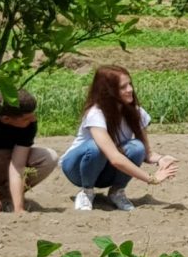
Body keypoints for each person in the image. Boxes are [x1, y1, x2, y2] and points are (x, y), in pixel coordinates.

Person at [61, 66, 179, 211]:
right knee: (96, 147)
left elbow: (146, 153)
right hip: (77, 168)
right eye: (123, 87)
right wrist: (152, 179)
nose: (130, 89)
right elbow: (115, 158)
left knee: (137, 147)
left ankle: (117, 191)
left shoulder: (136, 113)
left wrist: (161, 159)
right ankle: (86, 191)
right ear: (108, 91)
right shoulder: (96, 114)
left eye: (130, 84)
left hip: (105, 170)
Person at [0, 90, 58, 215]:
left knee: (49, 157)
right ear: (6, 119)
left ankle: (4, 198)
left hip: (3, 164)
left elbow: (18, 165)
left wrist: (19, 209)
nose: (33, 119)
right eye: (26, 118)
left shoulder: (30, 123)